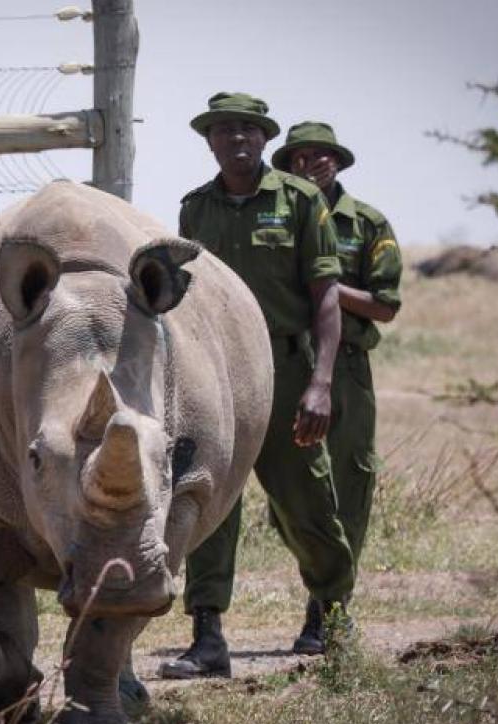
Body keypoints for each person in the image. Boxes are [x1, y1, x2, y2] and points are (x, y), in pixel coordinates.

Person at [160, 92, 355, 679]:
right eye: (225, 131)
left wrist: (319, 383)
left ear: (266, 139)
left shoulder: (299, 202)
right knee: (208, 503)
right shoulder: (195, 209)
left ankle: (332, 617)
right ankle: (208, 638)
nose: (238, 140)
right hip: (217, 375)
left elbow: (327, 297)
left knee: (308, 504)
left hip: (286, 368)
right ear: (209, 141)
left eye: (248, 130)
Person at [272, 121, 403, 647]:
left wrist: (324, 284)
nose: (311, 165)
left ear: (338, 163)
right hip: (286, 362)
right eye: (300, 157)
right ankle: (320, 584)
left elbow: (386, 305)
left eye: (321, 156)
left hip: (345, 368)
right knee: (289, 495)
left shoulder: (367, 223)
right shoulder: (277, 219)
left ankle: (326, 612)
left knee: (348, 488)